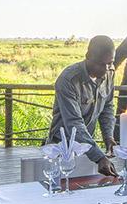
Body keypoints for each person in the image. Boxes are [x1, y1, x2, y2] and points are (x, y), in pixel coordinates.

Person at [47, 35, 117, 174]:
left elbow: (107, 106)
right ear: (88, 56)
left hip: (87, 149)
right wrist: (99, 157)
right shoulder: (68, 80)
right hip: (63, 149)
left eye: (110, 63)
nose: (106, 69)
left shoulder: (109, 72)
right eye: (101, 64)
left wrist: (108, 136)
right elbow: (74, 123)